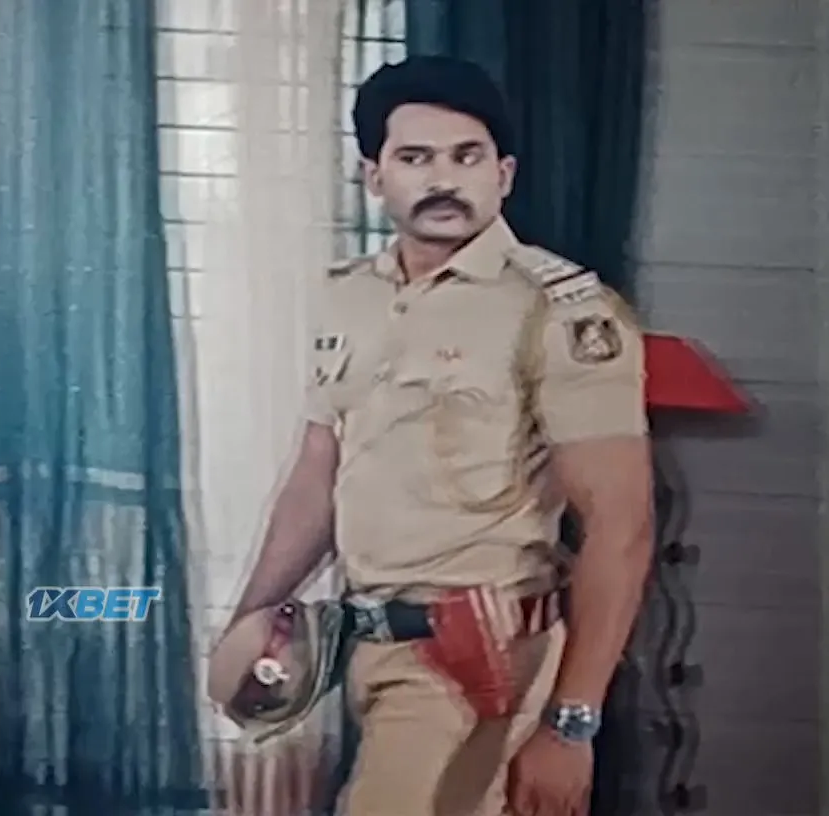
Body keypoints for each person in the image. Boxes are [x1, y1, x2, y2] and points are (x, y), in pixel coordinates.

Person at [205, 56, 654, 816]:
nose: (444, 179)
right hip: (372, 649)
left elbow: (622, 524)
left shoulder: (562, 311)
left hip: (482, 657)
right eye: (415, 158)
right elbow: (318, 474)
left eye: (467, 157)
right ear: (374, 177)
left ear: (504, 175)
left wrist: (571, 724)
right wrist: (250, 622)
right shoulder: (348, 296)